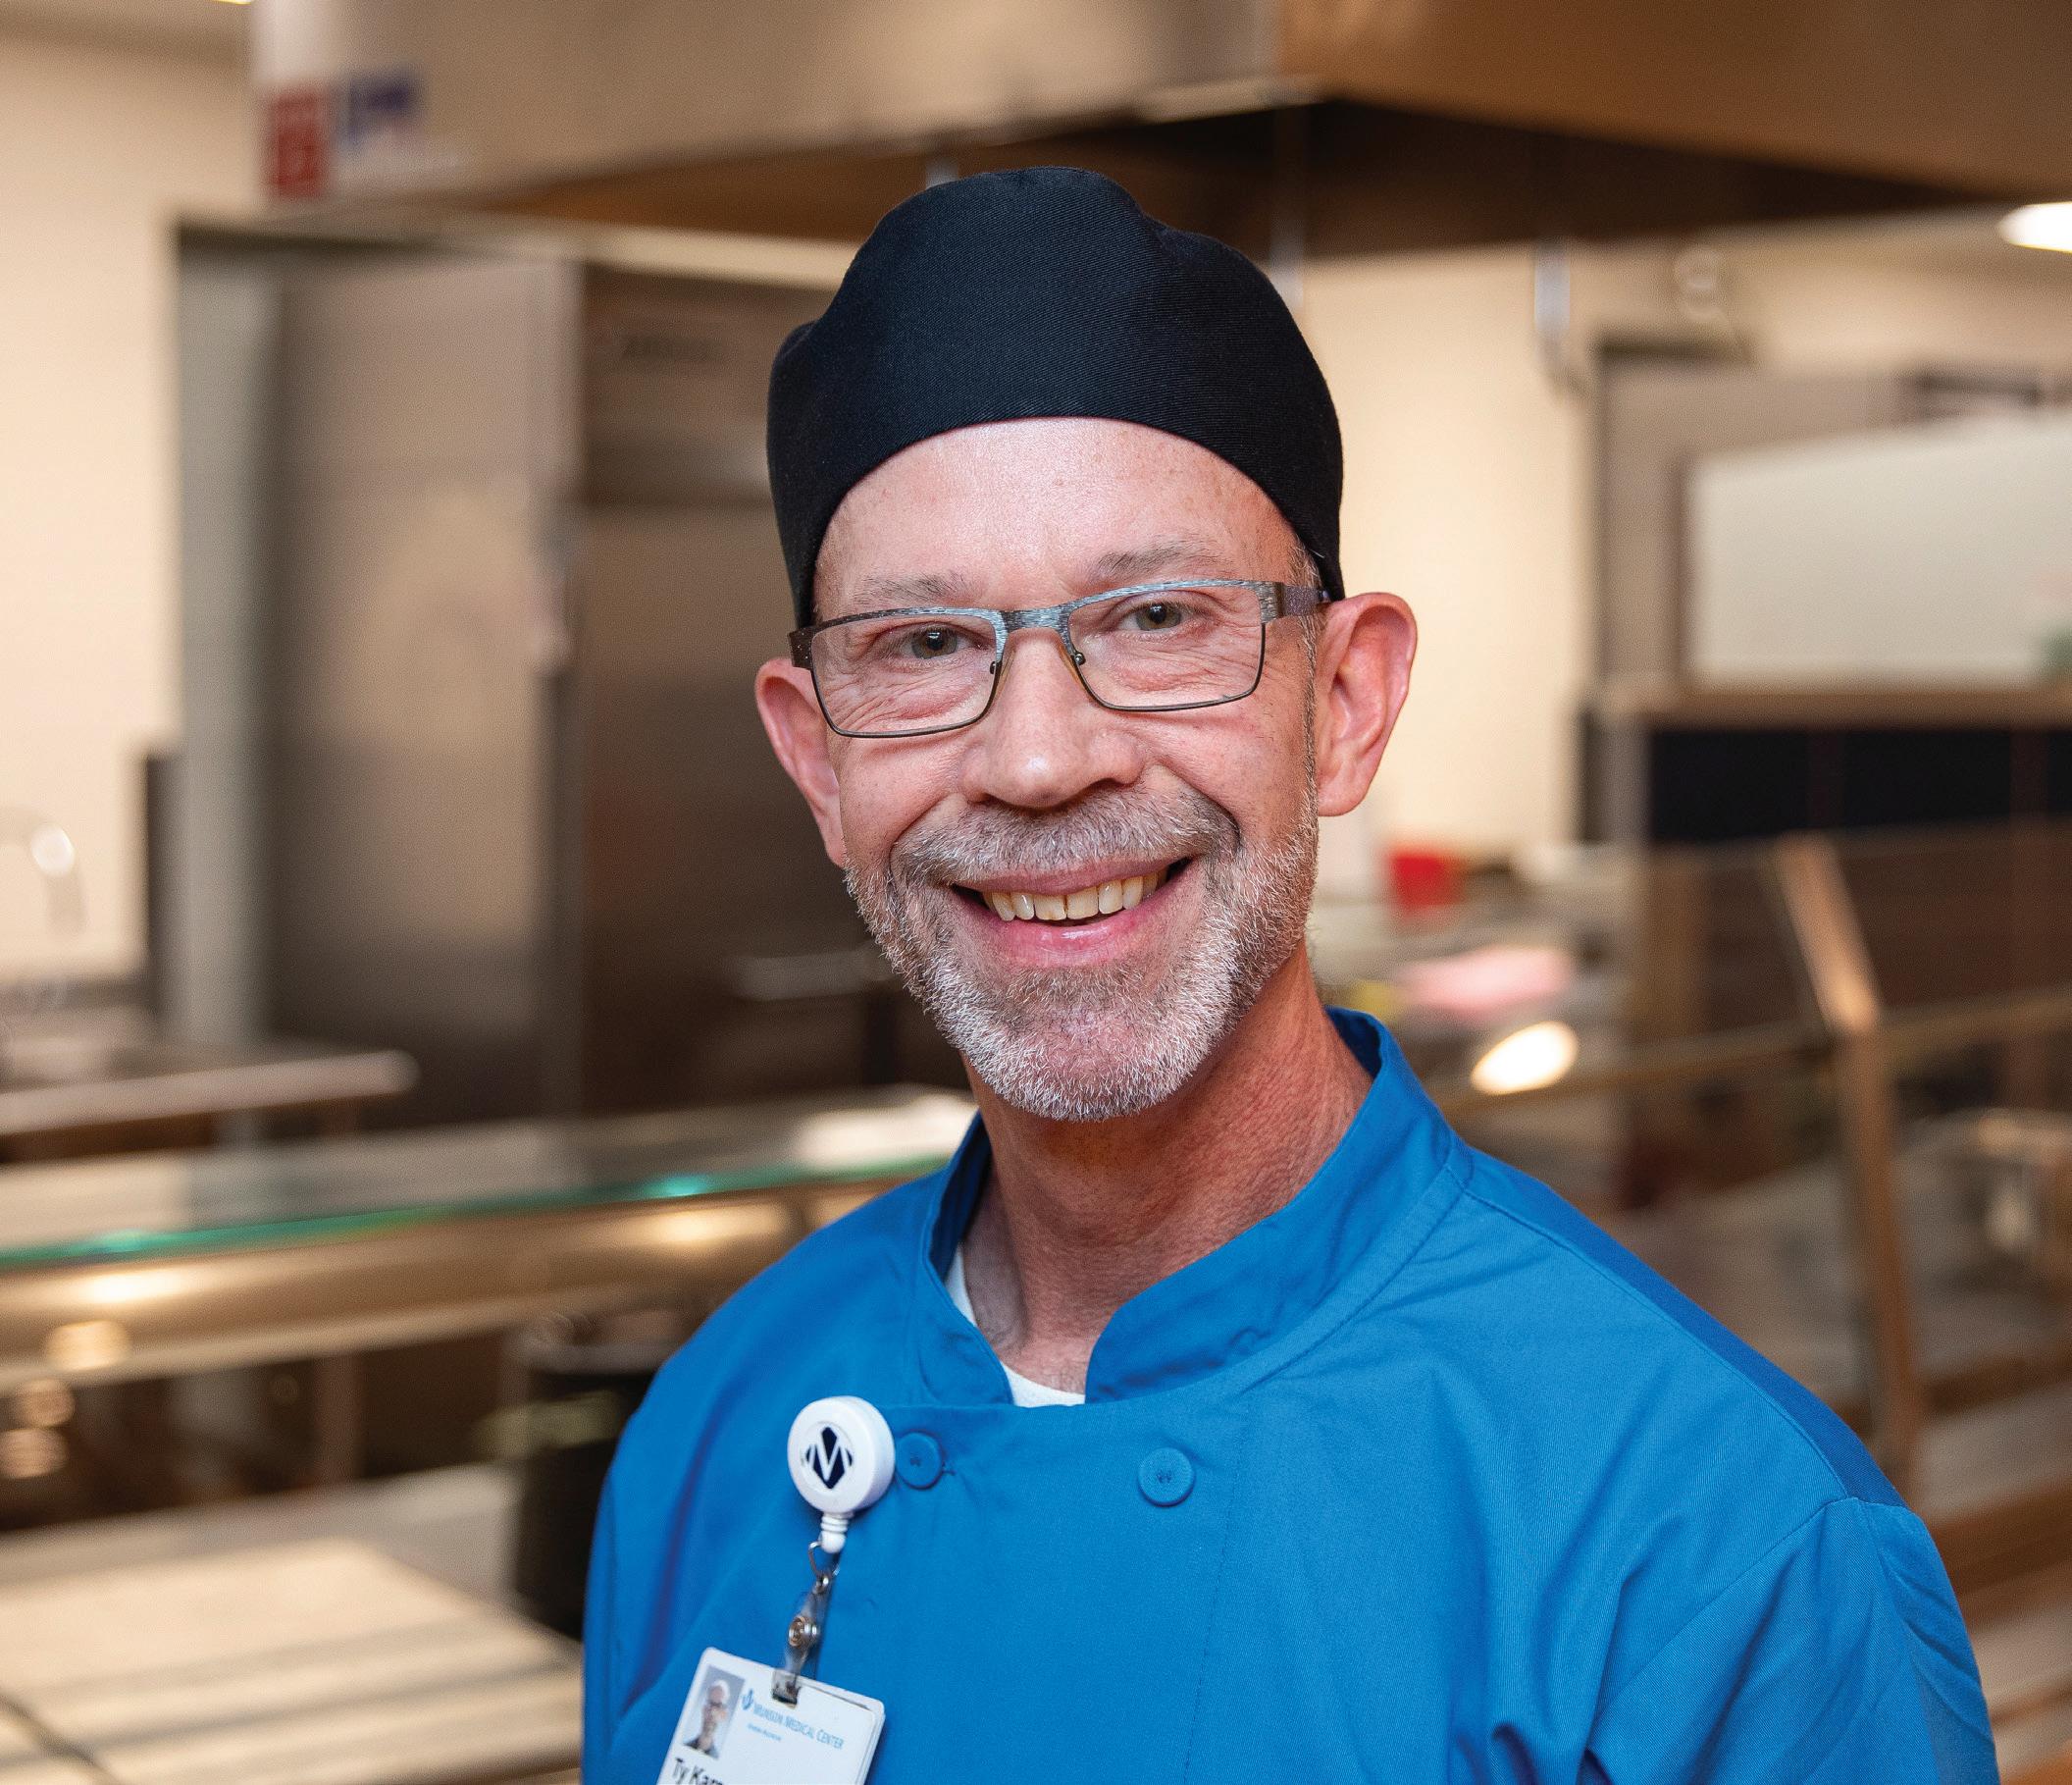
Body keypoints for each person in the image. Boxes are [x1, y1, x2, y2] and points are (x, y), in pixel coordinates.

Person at [583, 167, 1996, 1783]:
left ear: (1346, 705)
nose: (1037, 758)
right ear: (815, 762)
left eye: (1156, 618)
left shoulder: (1716, 1548)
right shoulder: (713, 1429)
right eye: (922, 646)